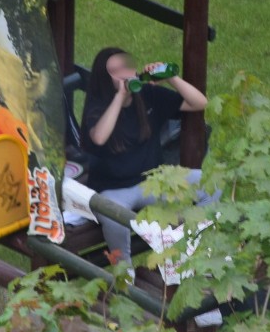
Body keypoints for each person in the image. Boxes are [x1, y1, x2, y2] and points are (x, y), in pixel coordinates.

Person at [81, 47, 219, 264]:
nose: (125, 73)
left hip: (153, 183)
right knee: (113, 217)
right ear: (104, 78)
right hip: (114, 191)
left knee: (212, 184)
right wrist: (120, 97)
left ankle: (194, 249)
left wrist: (171, 78)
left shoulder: (148, 95)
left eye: (127, 66)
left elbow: (199, 102)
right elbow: (99, 138)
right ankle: (124, 276)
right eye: (116, 71)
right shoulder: (98, 107)